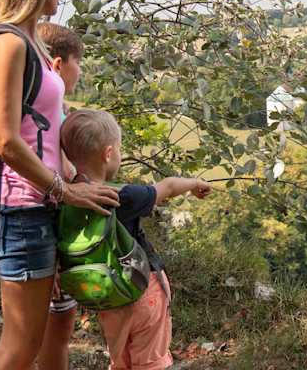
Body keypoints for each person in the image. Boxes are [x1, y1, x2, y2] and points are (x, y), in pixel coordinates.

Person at [0, 0, 119, 370]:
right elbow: (3, 138)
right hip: (21, 209)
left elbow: (35, 123)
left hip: (36, 207)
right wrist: (66, 191)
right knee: (19, 346)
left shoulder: (28, 42)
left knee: (33, 340)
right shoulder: (7, 44)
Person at [57, 108, 212, 370]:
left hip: (106, 296)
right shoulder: (123, 196)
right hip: (143, 289)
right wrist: (195, 182)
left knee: (121, 362)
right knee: (150, 361)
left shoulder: (66, 196)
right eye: (118, 149)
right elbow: (169, 187)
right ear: (108, 154)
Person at [31, 21, 85, 370]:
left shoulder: (39, 106)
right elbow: (62, 171)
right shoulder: (52, 112)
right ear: (59, 64)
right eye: (80, 63)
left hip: (42, 226)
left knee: (49, 328)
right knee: (52, 328)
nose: (81, 72)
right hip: (45, 227)